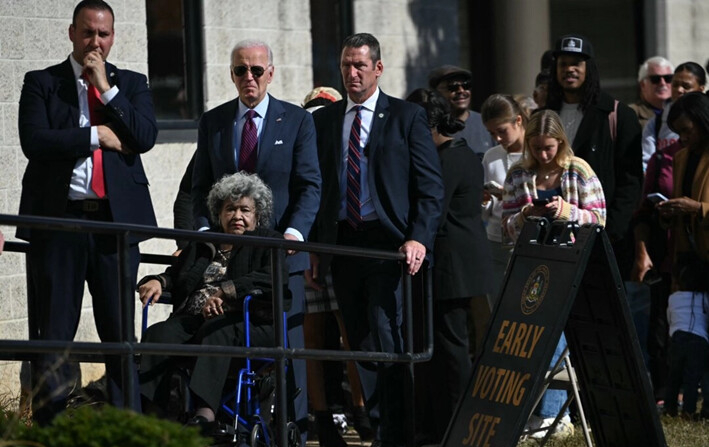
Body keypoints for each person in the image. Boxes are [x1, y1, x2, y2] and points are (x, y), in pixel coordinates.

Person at [17, 0, 158, 424]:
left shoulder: (131, 84)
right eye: (87, 32)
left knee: (120, 334)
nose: (95, 42)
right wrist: (96, 134)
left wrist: (106, 89)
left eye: (104, 34)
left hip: (113, 225)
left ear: (113, 36)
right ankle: (52, 427)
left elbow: (145, 136)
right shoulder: (43, 82)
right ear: (71, 32)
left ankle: (126, 426)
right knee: (55, 331)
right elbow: (35, 141)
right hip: (60, 220)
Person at [311, 33, 444, 447]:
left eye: (360, 66)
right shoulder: (326, 120)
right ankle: (377, 427)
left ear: (378, 68)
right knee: (361, 343)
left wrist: (418, 237)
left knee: (388, 337)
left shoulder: (405, 117)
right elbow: (318, 189)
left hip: (388, 245)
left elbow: (430, 186)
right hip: (343, 243)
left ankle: (396, 436)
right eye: (346, 65)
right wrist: (317, 248)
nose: (352, 73)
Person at [190, 39, 321, 436]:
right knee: (221, 332)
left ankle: (290, 425)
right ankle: (225, 418)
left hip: (280, 255)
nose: (249, 78)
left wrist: (294, 233)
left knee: (288, 344)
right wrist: (202, 234)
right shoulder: (213, 122)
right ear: (231, 74)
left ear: (271, 73)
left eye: (257, 70)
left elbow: (310, 185)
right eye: (240, 70)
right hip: (227, 257)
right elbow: (199, 189)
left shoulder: (297, 121)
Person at [138, 172, 289, 432]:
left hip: (249, 322)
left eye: (245, 210)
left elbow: (272, 279)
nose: (237, 216)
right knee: (159, 333)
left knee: (216, 330)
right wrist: (158, 281)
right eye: (230, 209)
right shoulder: (203, 243)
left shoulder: (269, 241)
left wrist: (227, 291)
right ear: (219, 213)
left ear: (257, 214)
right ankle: (150, 414)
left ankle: (205, 414)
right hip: (195, 321)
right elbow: (176, 274)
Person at [502, 110, 606, 439]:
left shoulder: (578, 170)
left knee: (556, 339)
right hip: (531, 267)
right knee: (532, 341)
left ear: (561, 143)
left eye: (549, 147)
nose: (543, 154)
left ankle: (553, 415)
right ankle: (538, 414)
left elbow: (600, 218)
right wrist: (526, 214)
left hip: (572, 265)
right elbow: (505, 229)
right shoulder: (518, 173)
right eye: (536, 148)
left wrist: (568, 212)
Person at [405, 87, 492, 445]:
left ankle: (458, 426)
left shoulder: (452, 158)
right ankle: (435, 425)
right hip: (446, 266)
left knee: (452, 348)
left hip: (453, 267)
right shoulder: (451, 155)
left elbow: (433, 214)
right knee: (436, 348)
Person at [301, 86, 373, 446]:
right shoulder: (305, 145)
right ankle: (322, 416)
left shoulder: (346, 144)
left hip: (342, 247)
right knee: (312, 335)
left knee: (351, 335)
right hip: (313, 247)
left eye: (324, 111)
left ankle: (361, 411)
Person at [631, 62, 706, 401]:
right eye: (677, 131)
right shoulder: (679, 156)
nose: (682, 138)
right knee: (683, 337)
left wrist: (697, 209)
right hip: (688, 256)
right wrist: (669, 213)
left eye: (687, 130)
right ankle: (685, 399)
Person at [546, 33, 642, 286]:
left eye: (577, 63)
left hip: (603, 240)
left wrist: (612, 232)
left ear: (589, 68)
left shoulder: (617, 114)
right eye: (564, 63)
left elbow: (630, 181)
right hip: (553, 240)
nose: (570, 69)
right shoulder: (543, 115)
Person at [480, 94, 528, 298]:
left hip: (527, 240)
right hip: (496, 239)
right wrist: (485, 200)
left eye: (502, 131)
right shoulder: (491, 156)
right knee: (497, 308)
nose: (498, 139)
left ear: (518, 121)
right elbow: (485, 210)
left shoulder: (537, 151)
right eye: (492, 133)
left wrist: (508, 194)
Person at [664, 261, 709, 419]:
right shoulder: (704, 298)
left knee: (674, 376)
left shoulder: (673, 298)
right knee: (692, 378)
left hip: (678, 338)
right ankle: (688, 411)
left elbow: (670, 318)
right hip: (699, 341)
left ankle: (670, 408)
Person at [428, 65, 495, 158]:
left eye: (466, 86)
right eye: (453, 87)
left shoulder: (486, 123)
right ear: (435, 93)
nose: (461, 91)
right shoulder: (430, 128)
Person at [630, 56, 674, 133]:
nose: (662, 83)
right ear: (643, 85)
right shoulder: (630, 114)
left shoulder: (682, 111)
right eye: (655, 79)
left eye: (668, 78)